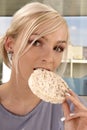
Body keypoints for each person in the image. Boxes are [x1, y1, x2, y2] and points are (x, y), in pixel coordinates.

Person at [0, 2, 87, 130]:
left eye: (58, 48)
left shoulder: (75, 112)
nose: (49, 58)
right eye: (36, 42)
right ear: (10, 44)